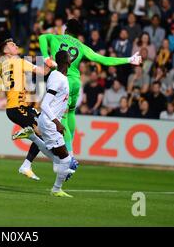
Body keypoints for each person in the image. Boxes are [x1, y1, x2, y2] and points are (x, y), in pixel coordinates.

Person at [38, 19, 141, 161]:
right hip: (75, 82)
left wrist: (45, 57)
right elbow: (104, 60)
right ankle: (71, 147)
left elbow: (42, 37)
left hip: (63, 81)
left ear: (66, 29)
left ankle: (70, 155)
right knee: (72, 112)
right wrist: (129, 59)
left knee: (64, 117)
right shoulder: (81, 46)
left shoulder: (56, 38)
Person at [14, 50, 75, 198]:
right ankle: (56, 189)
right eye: (69, 56)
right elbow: (45, 104)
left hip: (49, 121)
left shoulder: (59, 76)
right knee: (65, 160)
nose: (71, 57)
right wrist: (57, 123)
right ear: (67, 61)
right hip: (49, 122)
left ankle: (32, 137)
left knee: (60, 159)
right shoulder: (58, 78)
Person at [0, 38, 51, 181]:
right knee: (41, 132)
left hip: (16, 108)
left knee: (41, 131)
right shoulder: (19, 62)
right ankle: (29, 160)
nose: (16, 45)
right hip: (18, 108)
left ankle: (27, 162)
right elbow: (43, 72)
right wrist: (52, 61)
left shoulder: (2, 66)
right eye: (11, 45)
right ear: (5, 51)